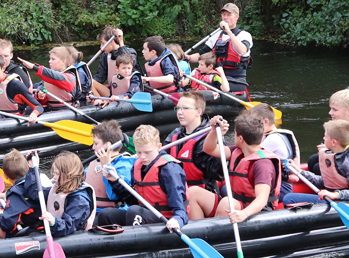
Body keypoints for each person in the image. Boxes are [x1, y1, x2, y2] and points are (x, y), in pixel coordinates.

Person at [0, 151, 95, 239]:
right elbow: (33, 192)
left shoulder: (80, 201)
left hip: (63, 235)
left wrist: (53, 221)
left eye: (57, 174)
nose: (54, 177)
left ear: (68, 175)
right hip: (48, 229)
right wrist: (33, 168)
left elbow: (69, 226)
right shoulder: (58, 190)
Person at [97, 125, 190, 231]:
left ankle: (136, 244)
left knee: (134, 211)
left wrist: (177, 220)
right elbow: (132, 199)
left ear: (159, 147)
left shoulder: (169, 169)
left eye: (147, 152)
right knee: (106, 214)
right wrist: (114, 181)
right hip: (143, 214)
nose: (142, 157)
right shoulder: (137, 166)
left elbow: (180, 209)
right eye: (139, 152)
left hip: (166, 219)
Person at [197, 112, 281, 221]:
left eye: (234, 133)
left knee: (226, 203)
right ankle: (197, 232)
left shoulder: (263, 164)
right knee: (195, 192)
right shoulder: (236, 152)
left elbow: (262, 198)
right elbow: (209, 149)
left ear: (240, 139)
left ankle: (215, 236)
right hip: (237, 204)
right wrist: (214, 131)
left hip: (255, 212)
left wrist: (244, 214)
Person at [164, 90, 222, 218]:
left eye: (185, 108)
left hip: (204, 194)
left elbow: (220, 173)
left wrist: (217, 136)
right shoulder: (175, 135)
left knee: (191, 194)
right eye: (178, 108)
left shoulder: (209, 137)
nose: (179, 112)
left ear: (198, 112)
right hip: (179, 193)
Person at [283, 119, 349, 205]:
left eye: (325, 136)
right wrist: (299, 171)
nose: (323, 138)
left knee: (289, 198)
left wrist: (334, 195)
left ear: (334, 142)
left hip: (342, 201)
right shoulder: (336, 155)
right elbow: (325, 182)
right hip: (332, 198)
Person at [187, 2, 252, 97]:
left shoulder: (244, 35)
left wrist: (228, 32)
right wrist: (187, 57)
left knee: (207, 86)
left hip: (235, 79)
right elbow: (201, 55)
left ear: (237, 17)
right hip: (216, 77)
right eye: (224, 15)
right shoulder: (216, 36)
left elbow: (242, 51)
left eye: (229, 15)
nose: (225, 18)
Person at [84, 120, 136, 212]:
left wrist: (106, 165)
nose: (93, 147)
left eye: (96, 144)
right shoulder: (94, 163)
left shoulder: (124, 164)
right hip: (90, 209)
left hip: (111, 212)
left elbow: (115, 195)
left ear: (108, 145)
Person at [250, 103, 299, 198]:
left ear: (265, 121)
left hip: (282, 187)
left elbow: (250, 157)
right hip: (281, 184)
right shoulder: (280, 134)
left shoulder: (272, 139)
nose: (252, 126)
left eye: (254, 122)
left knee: (226, 190)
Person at [0, 53, 42, 121]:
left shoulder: (15, 84)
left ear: (3, 68)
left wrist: (34, 114)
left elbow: (38, 107)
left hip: (14, 119)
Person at [19, 46, 83, 107]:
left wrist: (34, 67)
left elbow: (56, 77)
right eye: (50, 59)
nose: (49, 61)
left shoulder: (69, 77)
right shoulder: (48, 78)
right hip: (51, 109)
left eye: (53, 59)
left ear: (63, 61)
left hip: (67, 109)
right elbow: (40, 99)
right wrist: (40, 96)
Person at [91, 26, 138, 97]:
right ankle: (98, 102)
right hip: (114, 92)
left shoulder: (131, 52)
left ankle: (100, 101)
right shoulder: (105, 56)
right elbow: (100, 77)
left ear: (111, 42)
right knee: (90, 82)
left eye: (103, 43)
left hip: (130, 93)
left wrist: (121, 41)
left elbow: (130, 62)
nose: (101, 47)